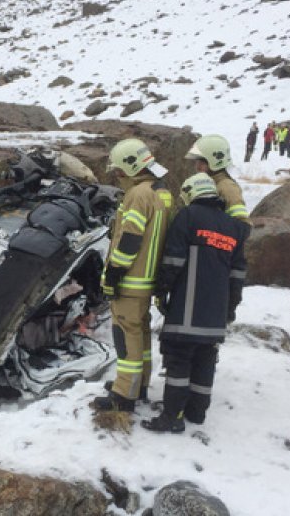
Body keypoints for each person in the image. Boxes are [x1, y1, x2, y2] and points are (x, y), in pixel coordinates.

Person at [140, 173, 249, 433]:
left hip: (187, 307)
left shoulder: (188, 216)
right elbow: (238, 272)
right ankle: (197, 412)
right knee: (205, 358)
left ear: (190, 194)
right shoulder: (233, 226)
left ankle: (172, 416)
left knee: (179, 359)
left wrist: (162, 290)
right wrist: (230, 307)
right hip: (215, 312)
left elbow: (173, 260)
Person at [91, 139, 174, 412]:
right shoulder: (161, 193)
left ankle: (123, 396)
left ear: (131, 168)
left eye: (118, 170)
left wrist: (113, 274)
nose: (116, 176)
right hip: (146, 282)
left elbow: (129, 241)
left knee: (125, 337)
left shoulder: (138, 195)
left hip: (130, 282)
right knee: (140, 336)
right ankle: (137, 386)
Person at [185, 134, 251, 224]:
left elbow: (241, 224)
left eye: (202, 162)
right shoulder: (205, 184)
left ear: (215, 162)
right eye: (197, 162)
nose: (197, 166)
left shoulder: (227, 187)